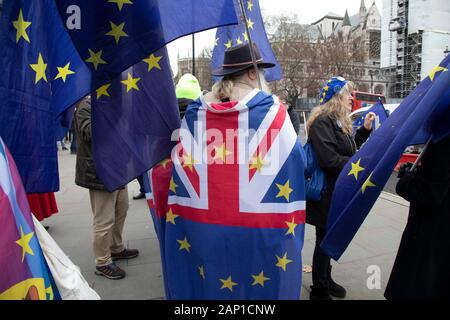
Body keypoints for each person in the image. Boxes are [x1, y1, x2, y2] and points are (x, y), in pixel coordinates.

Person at [148, 43, 306, 299]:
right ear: (253, 74)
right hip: (258, 231)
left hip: (201, 229)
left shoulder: (194, 113)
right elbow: (296, 161)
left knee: (209, 288)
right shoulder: (275, 114)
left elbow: (180, 166)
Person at [306, 76, 375, 300]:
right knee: (323, 239)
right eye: (348, 94)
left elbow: (349, 148)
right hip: (325, 192)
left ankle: (326, 278)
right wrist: (357, 165)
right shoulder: (322, 122)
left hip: (338, 191)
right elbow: (328, 159)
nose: (351, 98)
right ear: (336, 97)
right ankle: (320, 288)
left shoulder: (337, 122)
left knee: (329, 236)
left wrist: (364, 131)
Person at [74, 95, 139, 280]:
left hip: (118, 168)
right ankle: (102, 261)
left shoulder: (112, 102)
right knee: (104, 219)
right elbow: (90, 133)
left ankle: (116, 248)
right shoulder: (86, 105)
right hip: (99, 172)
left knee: (121, 210)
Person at [384, 135, 450, 299]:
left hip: (430, 231)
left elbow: (430, 193)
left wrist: (406, 181)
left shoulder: (444, 141)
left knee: (416, 282)